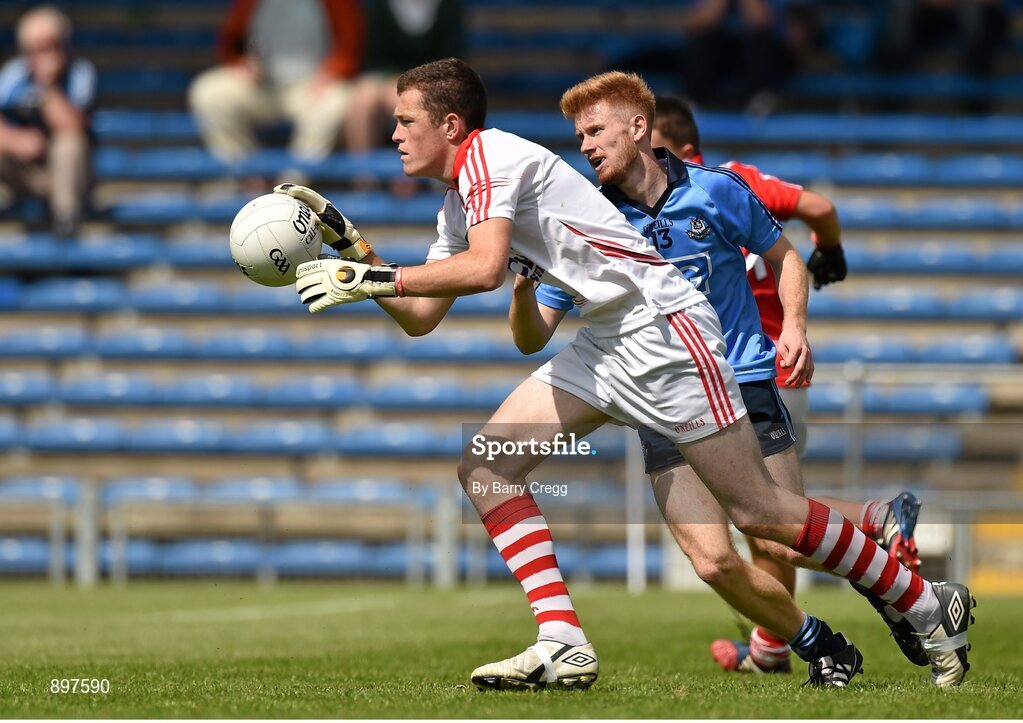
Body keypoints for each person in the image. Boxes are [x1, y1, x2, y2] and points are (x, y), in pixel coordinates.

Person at [274, 58, 972, 691]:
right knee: (487, 466)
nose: (393, 134)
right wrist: (356, 254)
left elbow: (485, 270)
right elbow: (423, 314)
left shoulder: (490, 156)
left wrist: (375, 276)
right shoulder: (458, 200)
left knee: (762, 514)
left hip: (661, 328)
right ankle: (562, 639)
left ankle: (923, 601)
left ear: (450, 125)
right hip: (608, 342)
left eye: (404, 121)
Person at [518, 74, 923, 676]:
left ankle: (885, 602)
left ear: (639, 128)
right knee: (714, 560)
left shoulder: (719, 189)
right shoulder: (585, 223)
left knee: (774, 530)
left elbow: (788, 251)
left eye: (595, 130)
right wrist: (524, 280)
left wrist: (794, 327)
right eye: (579, 137)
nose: (586, 146)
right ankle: (831, 618)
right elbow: (533, 337)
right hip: (658, 393)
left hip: (741, 377)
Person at [651, 95, 846, 459]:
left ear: (686, 150)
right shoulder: (738, 180)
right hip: (776, 363)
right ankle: (875, 516)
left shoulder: (644, 208)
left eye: (653, 149)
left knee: (737, 505)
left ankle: (874, 517)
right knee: (774, 503)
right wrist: (829, 248)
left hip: (701, 374)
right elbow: (821, 208)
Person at [188, 0, 363, 164]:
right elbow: (230, 41)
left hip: (311, 87)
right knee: (210, 92)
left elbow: (350, 48)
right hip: (263, 86)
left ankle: (295, 187)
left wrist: (331, 73)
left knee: (334, 102)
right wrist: (242, 63)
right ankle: (246, 179)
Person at [0, 4, 95, 239]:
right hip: (26, 173)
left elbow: (72, 127)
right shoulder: (14, 74)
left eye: (52, 45)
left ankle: (66, 223)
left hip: (73, 177)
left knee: (68, 144)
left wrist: (47, 86)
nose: (46, 55)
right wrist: (15, 140)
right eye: (37, 48)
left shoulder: (79, 72)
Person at [344, 0, 464, 152]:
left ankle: (416, 167)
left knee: (411, 100)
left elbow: (453, 59)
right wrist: (393, 79)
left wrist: (419, 81)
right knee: (364, 98)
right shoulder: (379, 6)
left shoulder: (448, 6)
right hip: (387, 80)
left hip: (434, 82)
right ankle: (362, 172)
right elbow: (373, 59)